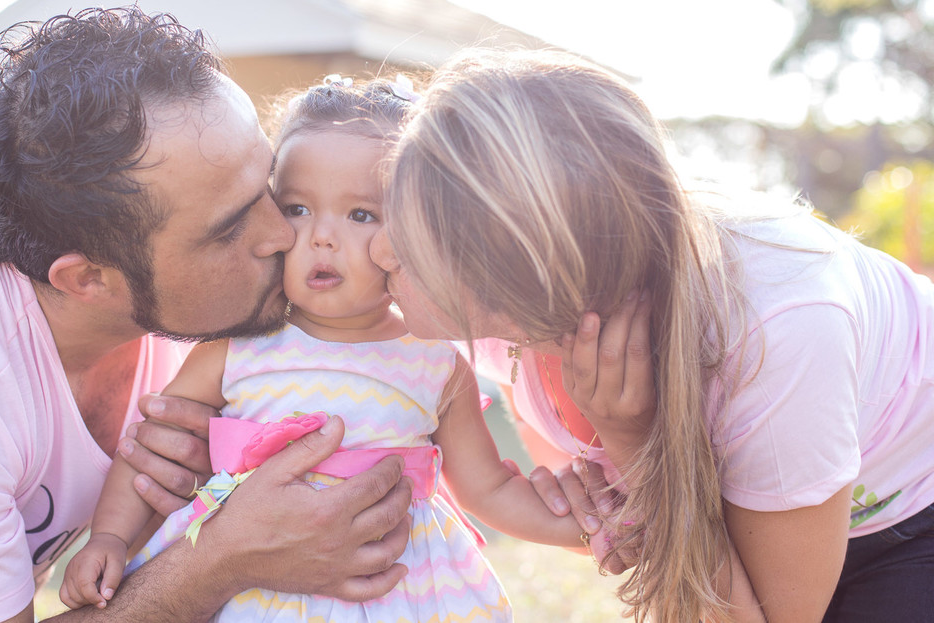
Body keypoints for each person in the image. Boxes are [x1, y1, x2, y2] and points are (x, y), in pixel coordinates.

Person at [0, 6, 414, 623]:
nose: (284, 234)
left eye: (273, 189)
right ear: (89, 278)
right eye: (231, 226)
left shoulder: (196, 307)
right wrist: (223, 558)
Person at [368, 46, 934, 622]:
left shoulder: (779, 325)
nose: (381, 250)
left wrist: (633, 444)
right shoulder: (504, 314)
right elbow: (578, 475)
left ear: (518, 272)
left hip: (913, 513)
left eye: (412, 239)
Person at [58, 74, 589, 621]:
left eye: (360, 214)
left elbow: (490, 487)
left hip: (396, 589)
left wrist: (589, 527)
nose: (321, 236)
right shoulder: (234, 350)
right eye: (296, 208)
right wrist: (110, 539)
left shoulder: (433, 359)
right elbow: (150, 454)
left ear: (416, 228)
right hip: (254, 594)